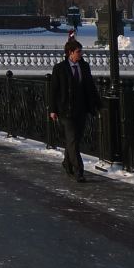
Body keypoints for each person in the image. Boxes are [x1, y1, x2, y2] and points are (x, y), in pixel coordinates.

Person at [50, 38, 100, 182]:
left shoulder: (84, 66)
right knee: (72, 140)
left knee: (75, 141)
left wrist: (97, 104)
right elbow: (53, 90)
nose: (81, 54)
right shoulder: (59, 68)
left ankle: (67, 163)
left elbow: (90, 87)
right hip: (66, 111)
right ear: (70, 53)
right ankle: (79, 171)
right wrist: (53, 110)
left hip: (81, 110)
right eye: (78, 52)